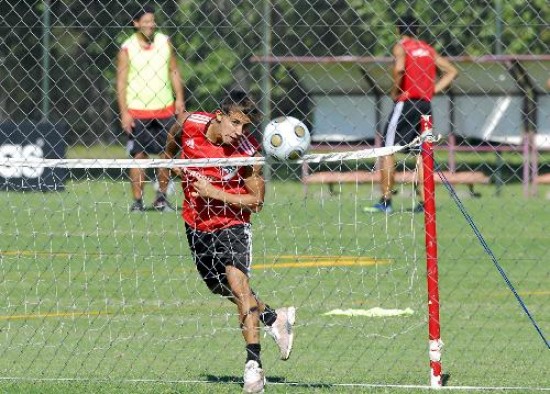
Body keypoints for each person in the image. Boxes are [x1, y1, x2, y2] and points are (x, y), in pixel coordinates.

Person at [164, 90, 296, 393]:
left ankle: (254, 368)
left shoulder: (247, 153)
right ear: (218, 116)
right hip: (195, 222)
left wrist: (215, 193)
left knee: (239, 287)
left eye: (245, 127)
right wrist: (167, 161)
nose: (239, 132)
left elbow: (257, 202)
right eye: (235, 123)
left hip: (233, 224)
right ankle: (274, 317)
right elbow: (175, 131)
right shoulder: (193, 124)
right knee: (219, 288)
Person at [364, 15, 458, 214]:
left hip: (406, 102)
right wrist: (432, 90)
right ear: (418, 30)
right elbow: (451, 71)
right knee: (422, 153)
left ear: (398, 30)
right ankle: (425, 203)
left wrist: (395, 91)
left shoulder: (401, 46)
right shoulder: (428, 49)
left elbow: (399, 69)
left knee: (387, 150)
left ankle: (386, 201)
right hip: (425, 105)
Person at [116, 4, 187, 213]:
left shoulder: (165, 42)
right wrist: (125, 112)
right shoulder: (127, 48)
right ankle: (137, 202)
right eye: (145, 22)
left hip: (165, 108)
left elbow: (174, 71)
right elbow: (121, 83)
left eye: (152, 21)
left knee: (167, 155)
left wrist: (179, 99)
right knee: (139, 157)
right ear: (136, 23)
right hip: (138, 111)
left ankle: (161, 199)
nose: (150, 25)